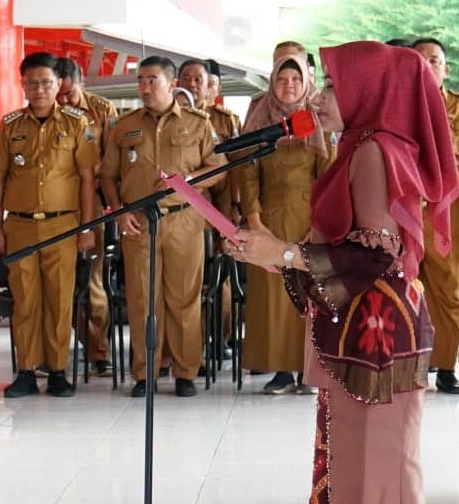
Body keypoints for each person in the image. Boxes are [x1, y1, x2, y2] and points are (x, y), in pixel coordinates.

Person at [229, 41, 453, 504]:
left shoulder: (374, 151)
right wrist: (280, 252)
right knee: (371, 481)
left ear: (368, 92)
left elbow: (374, 252)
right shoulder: (370, 146)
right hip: (374, 337)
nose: (323, 96)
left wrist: (289, 254)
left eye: (332, 85)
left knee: (376, 484)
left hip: (375, 344)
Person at [102, 55, 226, 397]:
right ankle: (146, 373)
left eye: (151, 80)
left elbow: (218, 169)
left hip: (184, 220)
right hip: (139, 223)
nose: (144, 87)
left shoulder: (198, 123)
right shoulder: (124, 125)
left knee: (184, 299)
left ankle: (186, 372)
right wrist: (118, 211)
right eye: (140, 80)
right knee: (143, 300)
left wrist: (188, 180)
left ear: (172, 84)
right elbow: (108, 176)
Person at [0, 51, 99, 398]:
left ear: (58, 84)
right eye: (31, 83)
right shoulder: (10, 126)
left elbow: (86, 178)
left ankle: (58, 370)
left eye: (46, 83)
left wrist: (87, 227)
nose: (39, 90)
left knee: (59, 299)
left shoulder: (78, 124)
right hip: (19, 226)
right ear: (23, 85)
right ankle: (25, 371)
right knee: (26, 300)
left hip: (63, 226)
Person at [238, 53, 333, 394]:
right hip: (269, 221)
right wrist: (255, 221)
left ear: (305, 83)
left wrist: (320, 225)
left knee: (308, 298)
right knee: (274, 299)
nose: (288, 86)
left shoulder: (318, 122)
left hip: (310, 220)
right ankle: (280, 371)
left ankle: (309, 371)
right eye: (281, 79)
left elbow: (328, 177)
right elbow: (246, 175)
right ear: (272, 84)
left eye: (295, 80)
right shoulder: (260, 121)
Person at [411, 38, 459, 395]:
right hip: (406, 208)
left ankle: (445, 366)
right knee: (407, 289)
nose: (428, 66)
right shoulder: (395, 106)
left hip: (448, 209)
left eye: (435, 60)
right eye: (420, 60)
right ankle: (411, 366)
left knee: (448, 291)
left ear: (446, 68)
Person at [56, 56, 118, 376]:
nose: (64, 99)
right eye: (60, 94)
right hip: (59, 204)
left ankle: (99, 351)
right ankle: (60, 350)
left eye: (69, 93)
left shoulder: (103, 111)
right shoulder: (49, 111)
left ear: (82, 83)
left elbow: (112, 158)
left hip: (93, 204)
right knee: (62, 280)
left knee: (93, 281)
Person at [178, 58, 242, 221]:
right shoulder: (172, 117)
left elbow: (236, 163)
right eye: (186, 79)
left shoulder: (225, 119)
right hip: (189, 194)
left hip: (223, 192)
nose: (191, 84)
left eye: (198, 80)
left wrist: (236, 203)